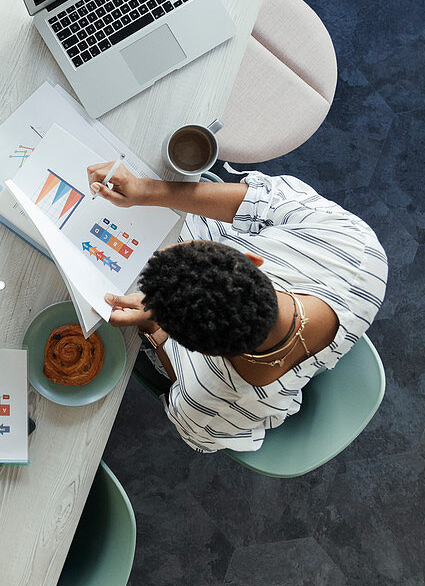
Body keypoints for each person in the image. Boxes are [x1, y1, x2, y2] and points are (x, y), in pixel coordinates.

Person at [87, 164, 388, 453]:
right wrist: (146, 190)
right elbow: (261, 201)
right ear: (251, 259)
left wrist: (153, 329)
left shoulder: (211, 401)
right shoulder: (357, 248)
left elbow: (196, 428)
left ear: (200, 353)